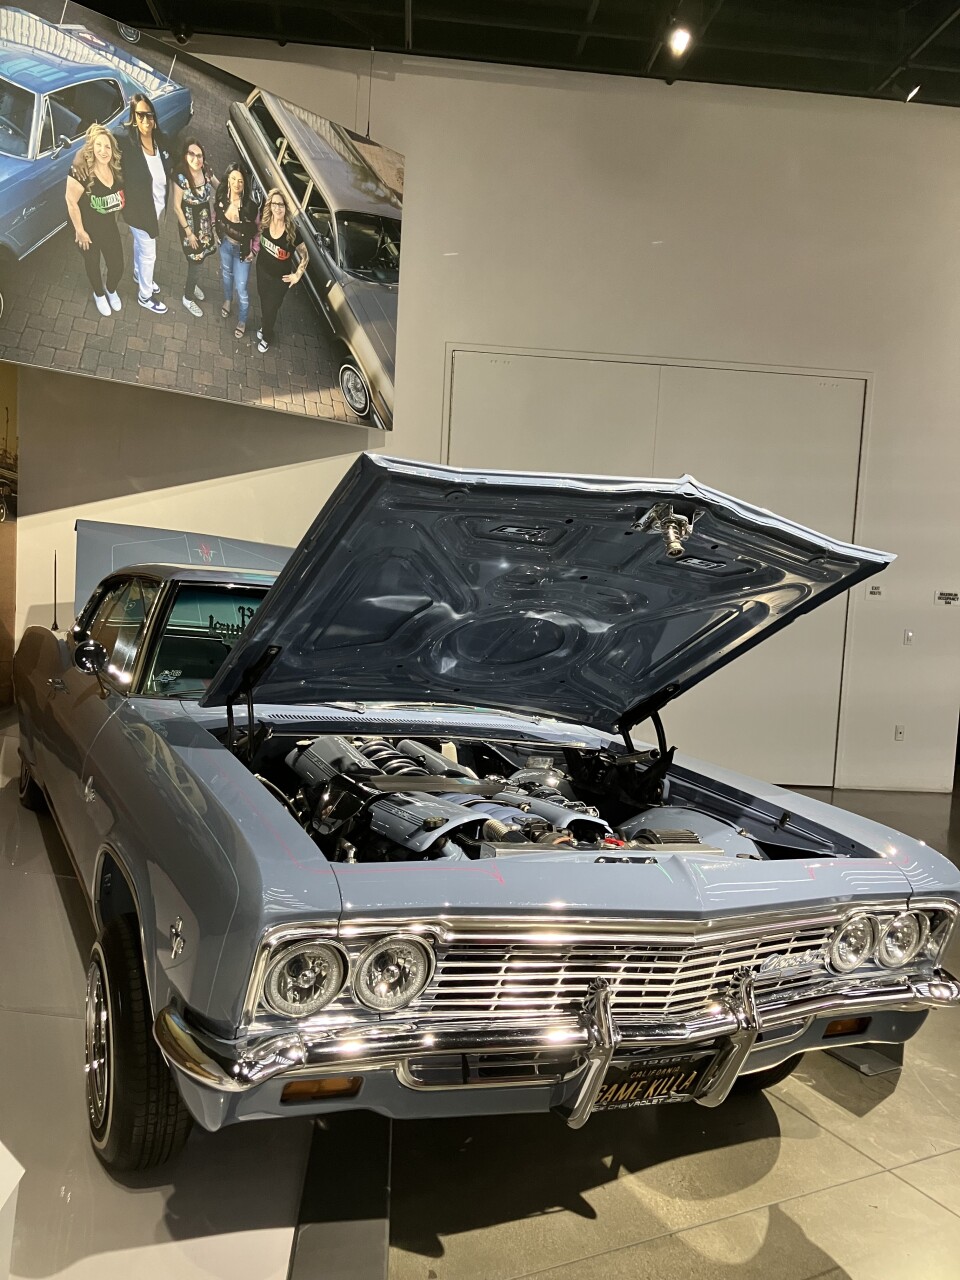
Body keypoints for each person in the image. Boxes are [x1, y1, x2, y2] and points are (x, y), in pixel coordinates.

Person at [64, 124, 125, 317]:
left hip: (108, 226)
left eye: (107, 146)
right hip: (86, 228)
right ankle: (99, 294)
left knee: (117, 266)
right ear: (91, 147)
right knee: (93, 263)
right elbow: (71, 201)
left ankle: (111, 289)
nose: (103, 151)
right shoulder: (81, 172)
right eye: (98, 145)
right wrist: (80, 231)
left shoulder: (116, 170)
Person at [119, 92, 171, 314]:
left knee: (140, 246)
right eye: (140, 115)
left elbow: (172, 160)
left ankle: (138, 274)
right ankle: (145, 295)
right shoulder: (128, 144)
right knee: (149, 253)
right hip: (139, 212)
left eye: (149, 115)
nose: (146, 121)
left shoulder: (160, 139)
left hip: (156, 207)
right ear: (133, 116)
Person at [255, 188, 308, 354]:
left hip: (280, 280)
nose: (278, 208)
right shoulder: (264, 222)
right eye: (274, 204)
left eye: (281, 204)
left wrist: (297, 275)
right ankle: (265, 325)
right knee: (264, 303)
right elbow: (256, 238)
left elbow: (305, 255)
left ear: (286, 207)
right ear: (270, 206)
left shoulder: (292, 232)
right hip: (262, 271)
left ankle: (267, 336)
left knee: (272, 307)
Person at [173, 138, 219, 317]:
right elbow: (177, 207)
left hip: (205, 224)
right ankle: (188, 297)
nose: (196, 158)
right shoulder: (181, 178)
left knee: (201, 258)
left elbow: (218, 186)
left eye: (199, 155)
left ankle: (193, 283)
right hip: (190, 226)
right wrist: (189, 233)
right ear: (185, 156)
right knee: (195, 260)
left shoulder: (206, 171)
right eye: (191, 154)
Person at [214, 164, 259, 338]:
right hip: (225, 244)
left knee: (241, 287)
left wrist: (254, 251)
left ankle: (242, 319)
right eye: (233, 178)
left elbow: (258, 230)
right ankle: (227, 300)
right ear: (228, 179)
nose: (236, 183)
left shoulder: (251, 207)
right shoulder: (221, 197)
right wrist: (214, 229)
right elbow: (215, 214)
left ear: (245, 184)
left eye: (240, 180)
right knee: (226, 274)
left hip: (242, 251)